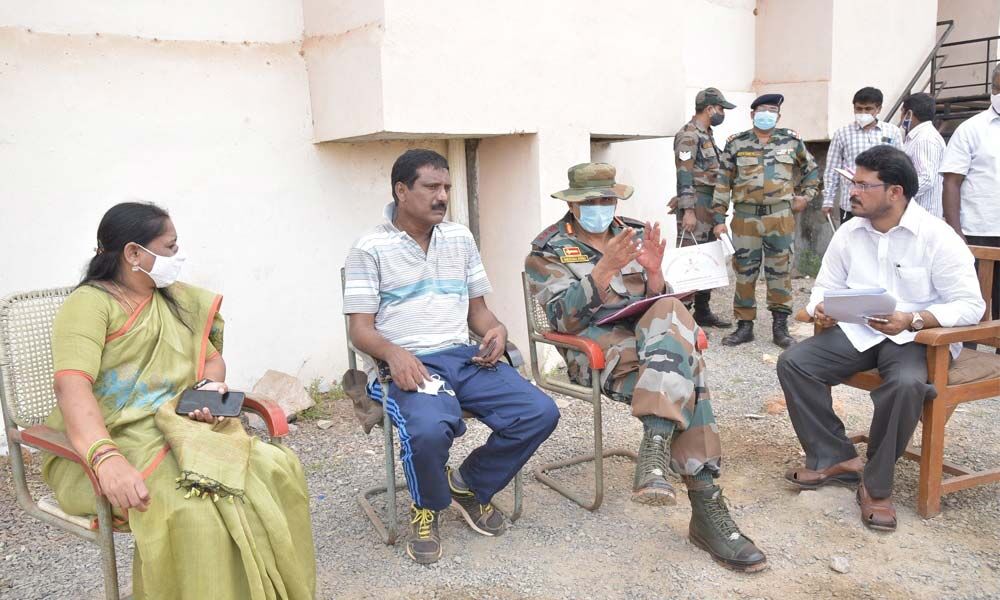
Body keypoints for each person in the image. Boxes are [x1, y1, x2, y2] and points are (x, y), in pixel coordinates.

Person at [43, 202, 316, 599]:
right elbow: (72, 387)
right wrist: (107, 460)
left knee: (274, 472)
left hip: (182, 427)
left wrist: (206, 388)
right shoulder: (89, 305)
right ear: (134, 253)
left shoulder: (174, 299)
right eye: (170, 247)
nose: (178, 256)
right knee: (194, 512)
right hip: (111, 442)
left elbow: (212, 361)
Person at [525, 162, 767, 573]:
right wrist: (603, 269)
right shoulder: (547, 250)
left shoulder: (634, 233)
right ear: (574, 204)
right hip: (598, 353)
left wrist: (655, 276)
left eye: (608, 198)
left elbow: (663, 306)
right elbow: (563, 321)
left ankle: (656, 447)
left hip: (653, 344)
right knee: (688, 374)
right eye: (591, 200)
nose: (601, 206)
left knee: (670, 309)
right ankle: (706, 507)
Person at [344, 149, 559, 565]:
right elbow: (360, 330)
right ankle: (426, 507)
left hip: (463, 357)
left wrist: (497, 330)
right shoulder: (370, 247)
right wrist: (393, 353)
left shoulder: (459, 238)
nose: (442, 196)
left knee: (538, 411)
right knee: (427, 429)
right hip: (406, 364)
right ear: (401, 190)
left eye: (446, 187)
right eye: (431, 187)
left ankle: (468, 485)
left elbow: (478, 313)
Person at [777, 146, 984, 532]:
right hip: (860, 332)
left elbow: (971, 305)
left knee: (905, 384)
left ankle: (876, 485)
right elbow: (825, 286)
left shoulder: (937, 236)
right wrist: (821, 307)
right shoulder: (849, 232)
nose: (853, 192)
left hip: (917, 340)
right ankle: (835, 457)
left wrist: (915, 319)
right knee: (795, 362)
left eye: (863, 185)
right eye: (852, 182)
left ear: (895, 192)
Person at [711, 93, 820, 348]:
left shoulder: (791, 141)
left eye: (772, 111)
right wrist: (719, 218)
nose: (766, 115)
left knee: (780, 271)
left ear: (778, 116)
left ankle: (780, 327)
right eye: (762, 110)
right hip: (745, 217)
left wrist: (806, 196)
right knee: (744, 271)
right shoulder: (736, 143)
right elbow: (723, 181)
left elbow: (811, 170)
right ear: (752, 114)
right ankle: (744, 326)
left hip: (779, 216)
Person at [940, 63, 1000, 331]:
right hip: (977, 232)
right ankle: (967, 351)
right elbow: (951, 182)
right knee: (971, 306)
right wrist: (956, 232)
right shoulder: (971, 129)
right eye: (997, 88)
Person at [671, 87, 737, 330]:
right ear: (709, 109)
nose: (722, 113)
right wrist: (688, 210)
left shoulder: (707, 134)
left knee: (708, 258)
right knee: (691, 260)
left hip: (709, 204)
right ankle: (682, 318)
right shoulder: (688, 135)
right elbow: (684, 173)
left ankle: (702, 311)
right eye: (720, 109)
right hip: (696, 205)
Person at [822, 86, 905, 223]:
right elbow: (832, 169)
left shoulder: (892, 132)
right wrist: (828, 201)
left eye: (868, 109)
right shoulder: (842, 134)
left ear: (878, 109)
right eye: (859, 109)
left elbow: (900, 166)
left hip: (883, 204)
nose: (862, 113)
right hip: (852, 203)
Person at [900, 92, 946, 218]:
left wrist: (899, 195)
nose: (901, 117)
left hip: (923, 212)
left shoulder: (925, 139)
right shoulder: (916, 137)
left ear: (909, 114)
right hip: (915, 211)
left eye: (902, 112)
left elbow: (926, 178)